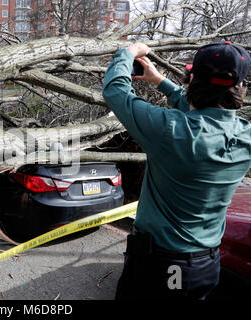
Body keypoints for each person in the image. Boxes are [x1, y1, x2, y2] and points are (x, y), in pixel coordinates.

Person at [102, 41, 251, 300]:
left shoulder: (171, 130)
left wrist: (128, 52)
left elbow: (116, 91)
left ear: (192, 81)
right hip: (206, 264)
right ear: (239, 87)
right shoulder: (245, 135)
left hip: (167, 267)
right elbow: (207, 116)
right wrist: (160, 80)